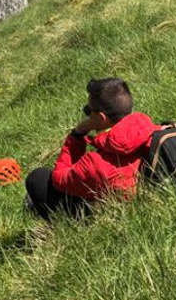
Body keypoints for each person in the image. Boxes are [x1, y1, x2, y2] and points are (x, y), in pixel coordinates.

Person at [25, 78, 161, 220]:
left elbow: (58, 179)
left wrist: (77, 134)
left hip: (117, 212)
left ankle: (59, 226)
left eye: (88, 110)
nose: (87, 113)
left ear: (102, 118)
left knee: (39, 178)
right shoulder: (153, 130)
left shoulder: (95, 163)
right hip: (144, 195)